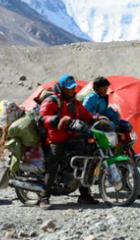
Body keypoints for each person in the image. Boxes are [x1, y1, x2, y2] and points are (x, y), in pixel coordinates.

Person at [38, 74, 99, 209]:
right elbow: (41, 118)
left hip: (73, 137)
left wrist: (97, 119)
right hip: (56, 138)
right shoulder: (52, 101)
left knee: (87, 158)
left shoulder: (75, 103)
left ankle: (84, 194)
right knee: (53, 164)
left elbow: (87, 116)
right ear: (62, 88)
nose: (72, 90)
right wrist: (55, 121)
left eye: (73, 87)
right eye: (69, 88)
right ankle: (44, 197)